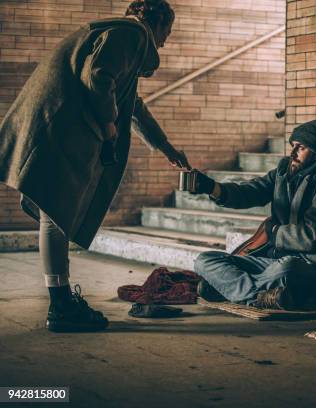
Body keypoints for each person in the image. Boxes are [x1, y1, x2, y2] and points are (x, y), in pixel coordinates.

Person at [0, 0, 190, 332]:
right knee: (56, 216)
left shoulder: (116, 33)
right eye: (168, 31)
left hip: (52, 126)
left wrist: (165, 146)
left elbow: (131, 103)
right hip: (61, 130)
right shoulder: (132, 34)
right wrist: (108, 126)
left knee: (53, 215)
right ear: (156, 23)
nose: (166, 41)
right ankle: (61, 306)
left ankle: (61, 300)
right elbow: (99, 77)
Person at [193, 119, 316, 310]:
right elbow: (248, 193)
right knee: (205, 261)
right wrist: (211, 187)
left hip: (312, 265)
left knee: (286, 269)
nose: (293, 152)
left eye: (301, 147)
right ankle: (260, 296)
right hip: (271, 260)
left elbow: (310, 238)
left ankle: (230, 290)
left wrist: (273, 232)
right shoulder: (282, 172)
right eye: (293, 146)